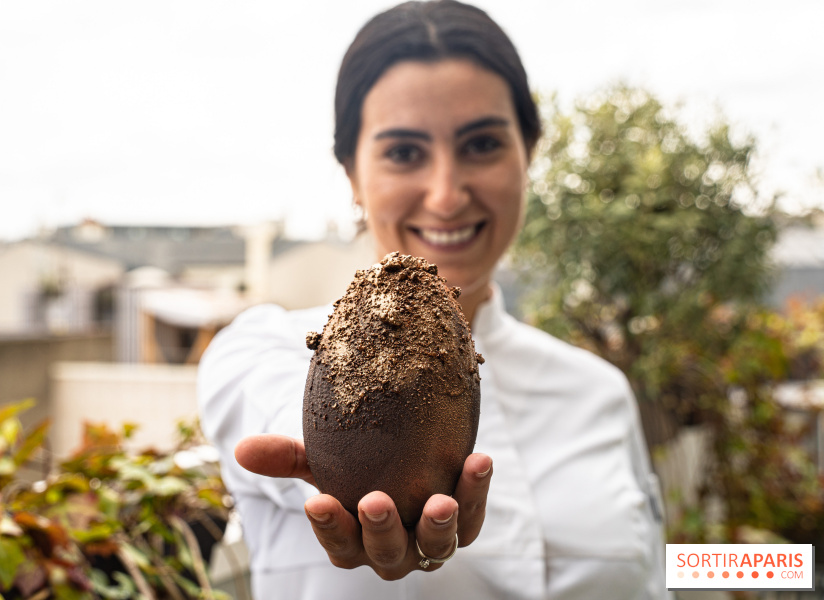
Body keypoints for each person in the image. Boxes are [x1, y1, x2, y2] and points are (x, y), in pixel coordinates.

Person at [198, 1, 671, 598]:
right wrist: (336, 450)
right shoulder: (259, 350)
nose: (446, 195)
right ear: (351, 174)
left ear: (529, 154)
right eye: (403, 152)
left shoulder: (599, 393)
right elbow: (268, 404)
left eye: (481, 145)